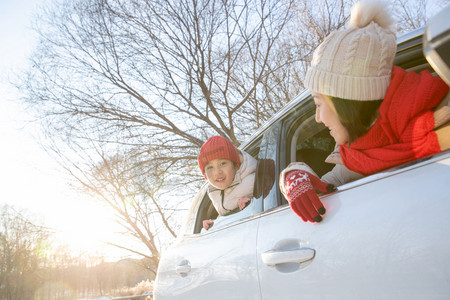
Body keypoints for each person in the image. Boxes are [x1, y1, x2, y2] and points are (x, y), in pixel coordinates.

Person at [280, 0, 450, 224]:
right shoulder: (355, 155)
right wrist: (291, 176)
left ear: (347, 99)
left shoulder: (443, 115)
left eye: (319, 103)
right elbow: (322, 184)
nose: (318, 118)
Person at [198, 136, 257, 230]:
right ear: (205, 174)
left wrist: (252, 202)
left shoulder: (255, 179)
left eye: (223, 163)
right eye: (210, 167)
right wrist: (214, 223)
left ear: (236, 165)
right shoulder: (213, 192)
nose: (217, 172)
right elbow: (226, 214)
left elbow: (269, 203)